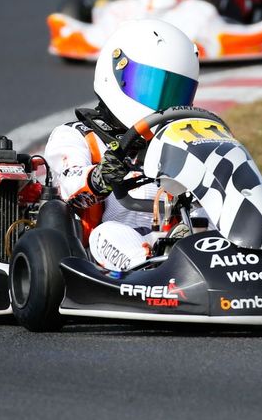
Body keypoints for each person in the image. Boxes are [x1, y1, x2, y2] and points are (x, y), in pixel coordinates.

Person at [43, 19, 201, 273]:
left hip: (173, 235)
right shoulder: (75, 136)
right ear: (115, 74)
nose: (162, 103)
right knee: (109, 233)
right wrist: (100, 176)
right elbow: (69, 185)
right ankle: (145, 271)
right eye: (150, 86)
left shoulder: (180, 137)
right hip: (106, 243)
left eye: (175, 93)